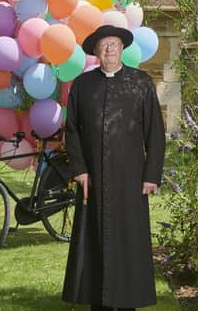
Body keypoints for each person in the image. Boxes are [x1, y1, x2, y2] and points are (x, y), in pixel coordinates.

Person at [62, 25, 166, 310]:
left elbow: (154, 132)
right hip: (92, 179)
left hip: (130, 179)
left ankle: (128, 301)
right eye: (104, 44)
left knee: (128, 241)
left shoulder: (140, 83)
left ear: (122, 48)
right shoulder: (83, 86)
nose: (109, 49)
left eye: (114, 44)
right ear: (96, 51)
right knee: (95, 239)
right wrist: (80, 170)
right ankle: (99, 301)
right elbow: (71, 131)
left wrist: (151, 175)